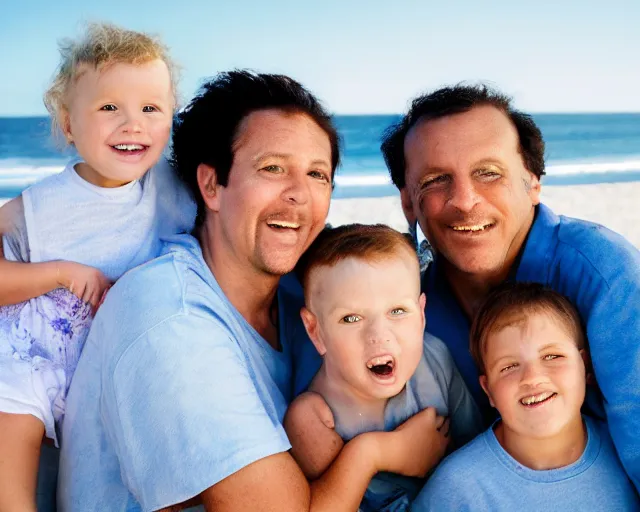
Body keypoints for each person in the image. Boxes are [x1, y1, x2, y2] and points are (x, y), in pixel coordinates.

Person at [59, 70, 450, 512]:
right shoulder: (171, 316)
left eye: (317, 175)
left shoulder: (297, 301)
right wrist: (375, 453)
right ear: (212, 186)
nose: (300, 195)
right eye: (272, 168)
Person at [380, 84, 640, 489]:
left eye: (488, 173)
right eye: (435, 180)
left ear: (533, 183)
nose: (465, 201)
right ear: (408, 203)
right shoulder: (401, 302)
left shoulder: (604, 274)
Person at [0, 23, 194, 511]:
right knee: (11, 434)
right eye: (109, 107)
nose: (133, 124)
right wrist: (60, 272)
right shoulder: (41, 205)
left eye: (151, 108)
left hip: (111, 370)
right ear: (68, 124)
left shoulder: (171, 190)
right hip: (35, 358)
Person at [284, 223, 482, 512]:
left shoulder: (435, 358)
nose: (379, 334)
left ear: (421, 316)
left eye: (398, 311)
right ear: (316, 331)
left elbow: (476, 448)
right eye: (351, 318)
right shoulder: (312, 418)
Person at [413, 283, 640, 511]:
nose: (532, 377)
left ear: (585, 366)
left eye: (552, 356)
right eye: (509, 366)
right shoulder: (456, 490)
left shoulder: (625, 454)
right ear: (488, 390)